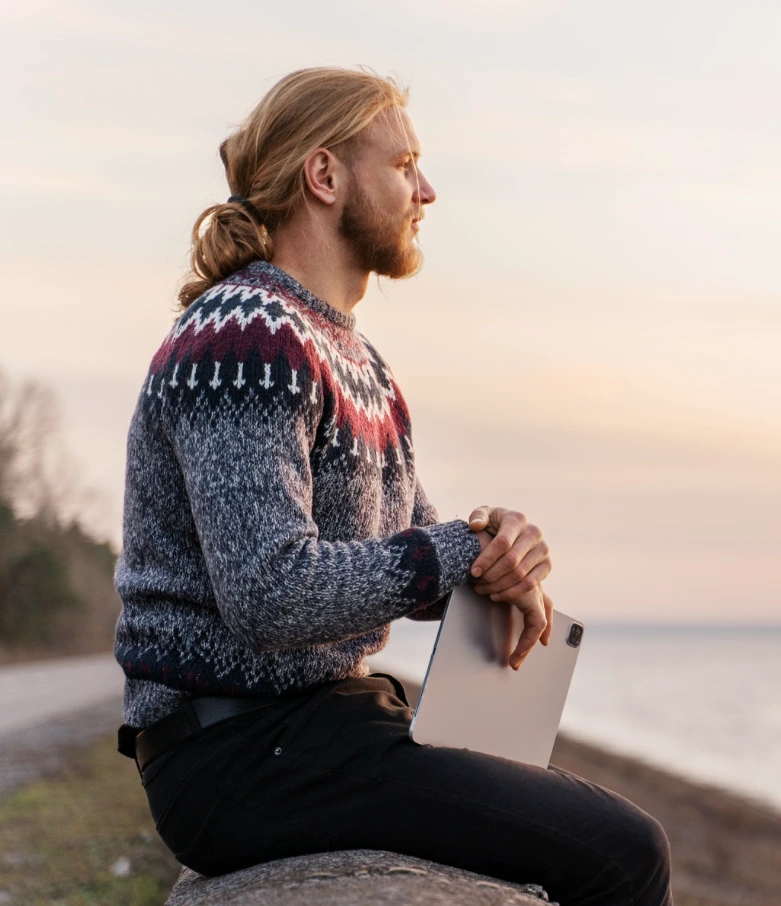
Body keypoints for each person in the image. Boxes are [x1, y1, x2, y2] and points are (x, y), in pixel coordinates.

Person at [114, 66, 673, 904]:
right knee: (624, 850)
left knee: (587, 829)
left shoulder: (355, 359)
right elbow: (270, 594)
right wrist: (454, 553)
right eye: (406, 165)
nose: (429, 190)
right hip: (237, 755)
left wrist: (497, 554)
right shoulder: (245, 338)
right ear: (326, 176)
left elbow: (407, 553)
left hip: (317, 726)